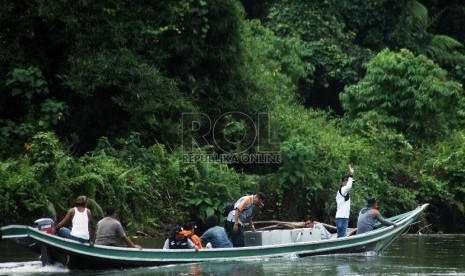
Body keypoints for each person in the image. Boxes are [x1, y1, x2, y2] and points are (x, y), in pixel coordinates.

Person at [335, 165, 355, 238]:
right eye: (347, 181)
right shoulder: (343, 189)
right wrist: (351, 175)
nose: (348, 183)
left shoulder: (341, 192)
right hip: (342, 218)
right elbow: (349, 186)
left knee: (340, 237)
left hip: (341, 217)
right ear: (343, 182)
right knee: (342, 238)